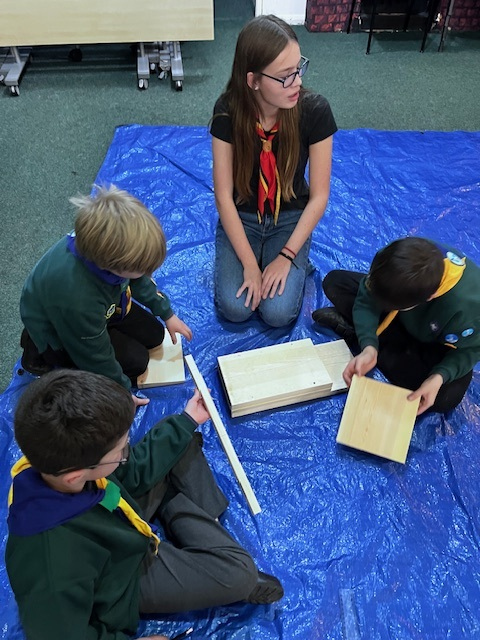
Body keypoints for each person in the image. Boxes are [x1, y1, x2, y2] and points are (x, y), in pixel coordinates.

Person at [6, 369, 284, 640]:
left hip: (120, 519)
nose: (126, 450)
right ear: (76, 476)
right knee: (240, 574)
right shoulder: (50, 564)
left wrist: (188, 419)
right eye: (121, 451)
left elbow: (127, 474)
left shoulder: (63, 467)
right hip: (125, 576)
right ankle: (209, 546)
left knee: (179, 437)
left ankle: (201, 535)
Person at [210, 14, 337, 328]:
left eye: (298, 69)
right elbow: (224, 197)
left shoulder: (315, 110)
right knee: (236, 308)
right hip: (243, 216)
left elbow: (319, 196)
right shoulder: (227, 111)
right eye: (285, 77)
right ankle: (257, 255)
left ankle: (292, 258)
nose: (297, 83)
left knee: (277, 313)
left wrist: (286, 256)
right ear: (253, 80)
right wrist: (249, 264)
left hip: (289, 217)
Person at [19, 184, 192, 407]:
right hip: (61, 331)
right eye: (140, 269)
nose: (147, 273)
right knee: (137, 362)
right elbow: (94, 356)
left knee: (156, 334)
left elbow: (137, 277)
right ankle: (38, 351)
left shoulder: (106, 254)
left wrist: (166, 312)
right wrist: (120, 390)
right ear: (112, 266)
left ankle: (104, 328)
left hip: (102, 304)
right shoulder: (80, 300)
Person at [312, 237, 480, 415]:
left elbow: (472, 350)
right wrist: (369, 346)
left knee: (446, 396)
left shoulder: (469, 311)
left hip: (432, 345)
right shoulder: (394, 254)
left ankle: (360, 334)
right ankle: (380, 345)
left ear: (429, 298)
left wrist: (439, 376)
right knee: (336, 281)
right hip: (400, 317)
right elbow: (368, 294)